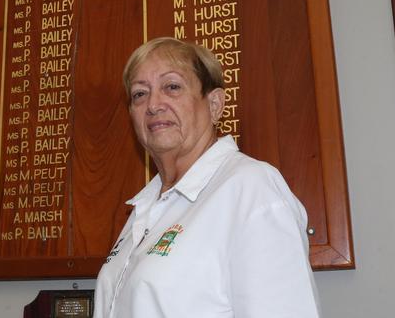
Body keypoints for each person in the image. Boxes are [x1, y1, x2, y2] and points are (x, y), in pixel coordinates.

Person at [94, 38, 320, 318]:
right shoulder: (146, 208)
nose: (153, 105)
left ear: (214, 104)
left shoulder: (250, 188)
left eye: (172, 87)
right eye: (140, 94)